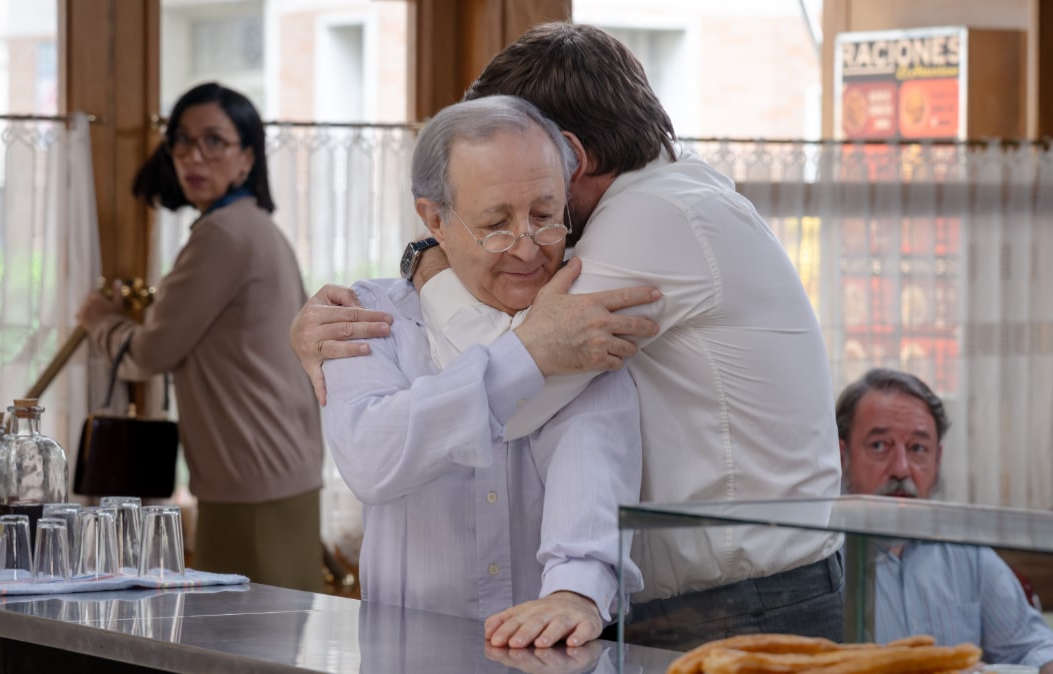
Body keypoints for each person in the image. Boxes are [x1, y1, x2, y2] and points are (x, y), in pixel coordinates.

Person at [292, 22, 844, 649]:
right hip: (724, 598)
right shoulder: (672, 196)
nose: (526, 242)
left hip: (742, 606)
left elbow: (523, 361)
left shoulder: (653, 217)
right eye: (493, 216)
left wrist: (429, 268)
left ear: (568, 156)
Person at [321, 95, 642, 650]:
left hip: (548, 661)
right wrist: (529, 355)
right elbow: (372, 457)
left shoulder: (582, 320)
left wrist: (576, 592)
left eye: (545, 216)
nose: (528, 249)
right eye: (496, 224)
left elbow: (594, 455)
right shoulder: (369, 318)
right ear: (434, 221)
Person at [76, 82, 324, 592]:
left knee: (242, 650)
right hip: (278, 465)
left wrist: (99, 320)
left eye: (214, 141)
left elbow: (150, 353)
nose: (194, 155)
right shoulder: (255, 228)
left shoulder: (222, 234)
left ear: (246, 158)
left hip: (251, 474)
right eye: (182, 140)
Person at [837, 368, 1053, 673]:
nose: (901, 469)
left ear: (937, 460)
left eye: (917, 449)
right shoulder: (818, 559)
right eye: (879, 446)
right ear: (841, 455)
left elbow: (1033, 645)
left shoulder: (966, 551)